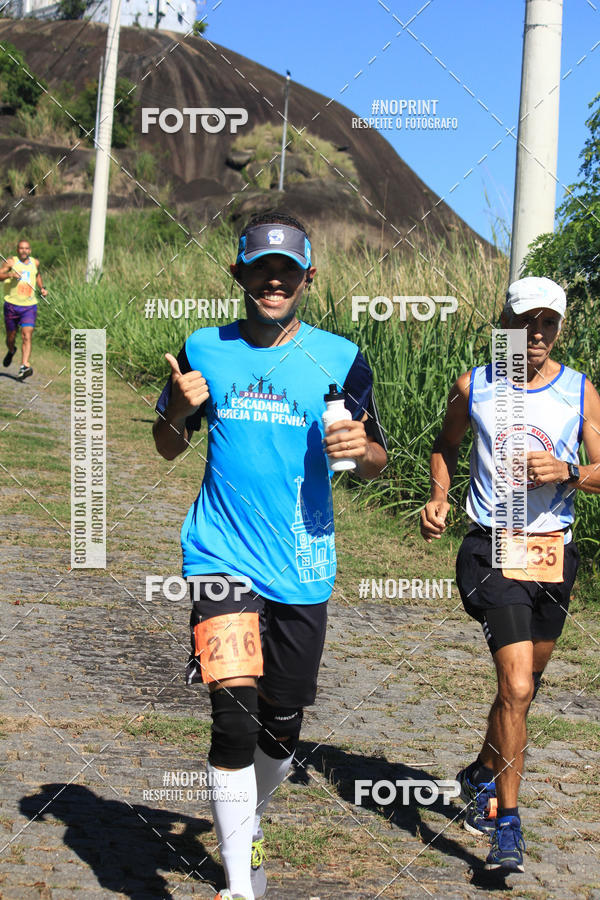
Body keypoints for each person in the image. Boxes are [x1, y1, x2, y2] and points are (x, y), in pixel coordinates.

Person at [153, 212, 387, 900]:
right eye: (261, 269)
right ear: (240, 275)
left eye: (287, 271)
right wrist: (173, 406)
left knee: (281, 729)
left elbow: (376, 458)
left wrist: (363, 454)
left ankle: (247, 818)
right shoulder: (203, 347)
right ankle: (240, 887)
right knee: (233, 721)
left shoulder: (341, 358)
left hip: (302, 566)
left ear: (308, 279)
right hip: (219, 557)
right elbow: (169, 446)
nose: (273, 280)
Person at [420, 276, 600, 875]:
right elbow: (444, 445)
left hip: (553, 554)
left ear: (560, 327)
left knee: (521, 690)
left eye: (549, 323)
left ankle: (479, 773)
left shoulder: (580, 392)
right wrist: (440, 497)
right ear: (506, 324)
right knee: (518, 687)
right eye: (526, 322)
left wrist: (569, 469)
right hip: (490, 548)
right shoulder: (476, 385)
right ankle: (506, 827)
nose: (538, 334)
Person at [1, 238, 47, 380]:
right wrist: (10, 275)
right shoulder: (11, 262)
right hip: (11, 305)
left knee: (27, 335)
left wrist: (42, 288)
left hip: (29, 306)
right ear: (17, 250)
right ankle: (11, 349)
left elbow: (37, 274)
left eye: (26, 248)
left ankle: (24, 366)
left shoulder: (35, 263)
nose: (24, 251)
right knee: (11, 337)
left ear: (30, 250)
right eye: (21, 248)